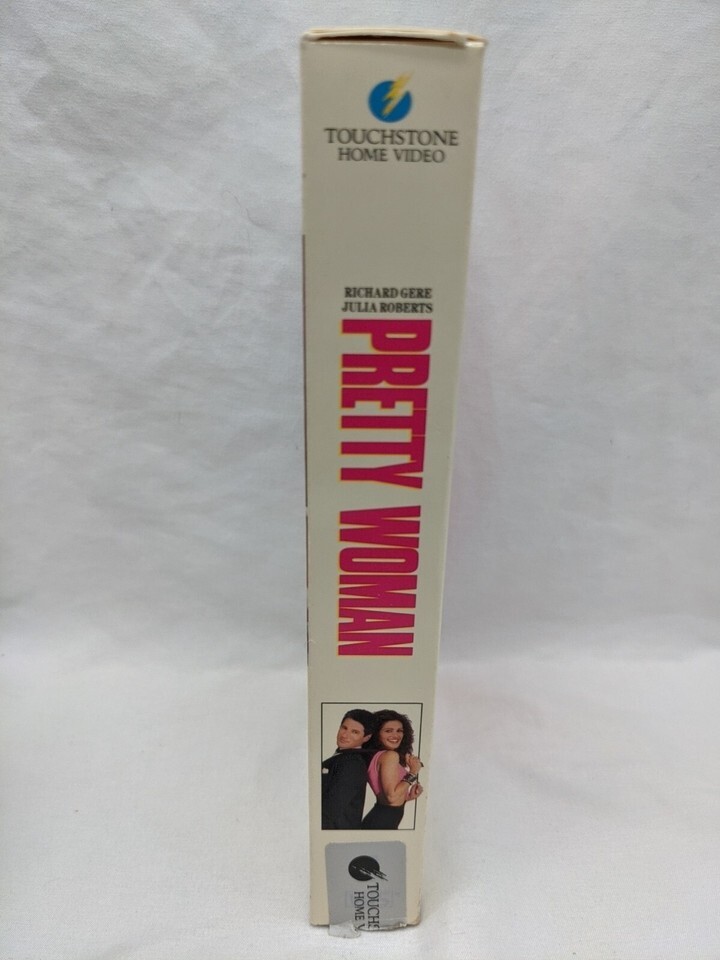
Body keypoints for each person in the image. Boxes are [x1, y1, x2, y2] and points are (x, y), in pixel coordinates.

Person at [361, 710, 424, 830]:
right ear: (376, 734)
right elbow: (391, 797)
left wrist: (407, 797)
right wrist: (413, 772)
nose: (395, 735)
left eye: (399, 731)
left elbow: (389, 797)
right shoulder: (389, 756)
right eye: (388, 731)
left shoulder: (379, 756)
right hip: (382, 822)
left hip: (381, 818)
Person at [321, 709, 375, 829]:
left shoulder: (352, 764)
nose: (345, 735)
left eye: (354, 732)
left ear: (366, 738)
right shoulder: (343, 758)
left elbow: (331, 811)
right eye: (344, 728)